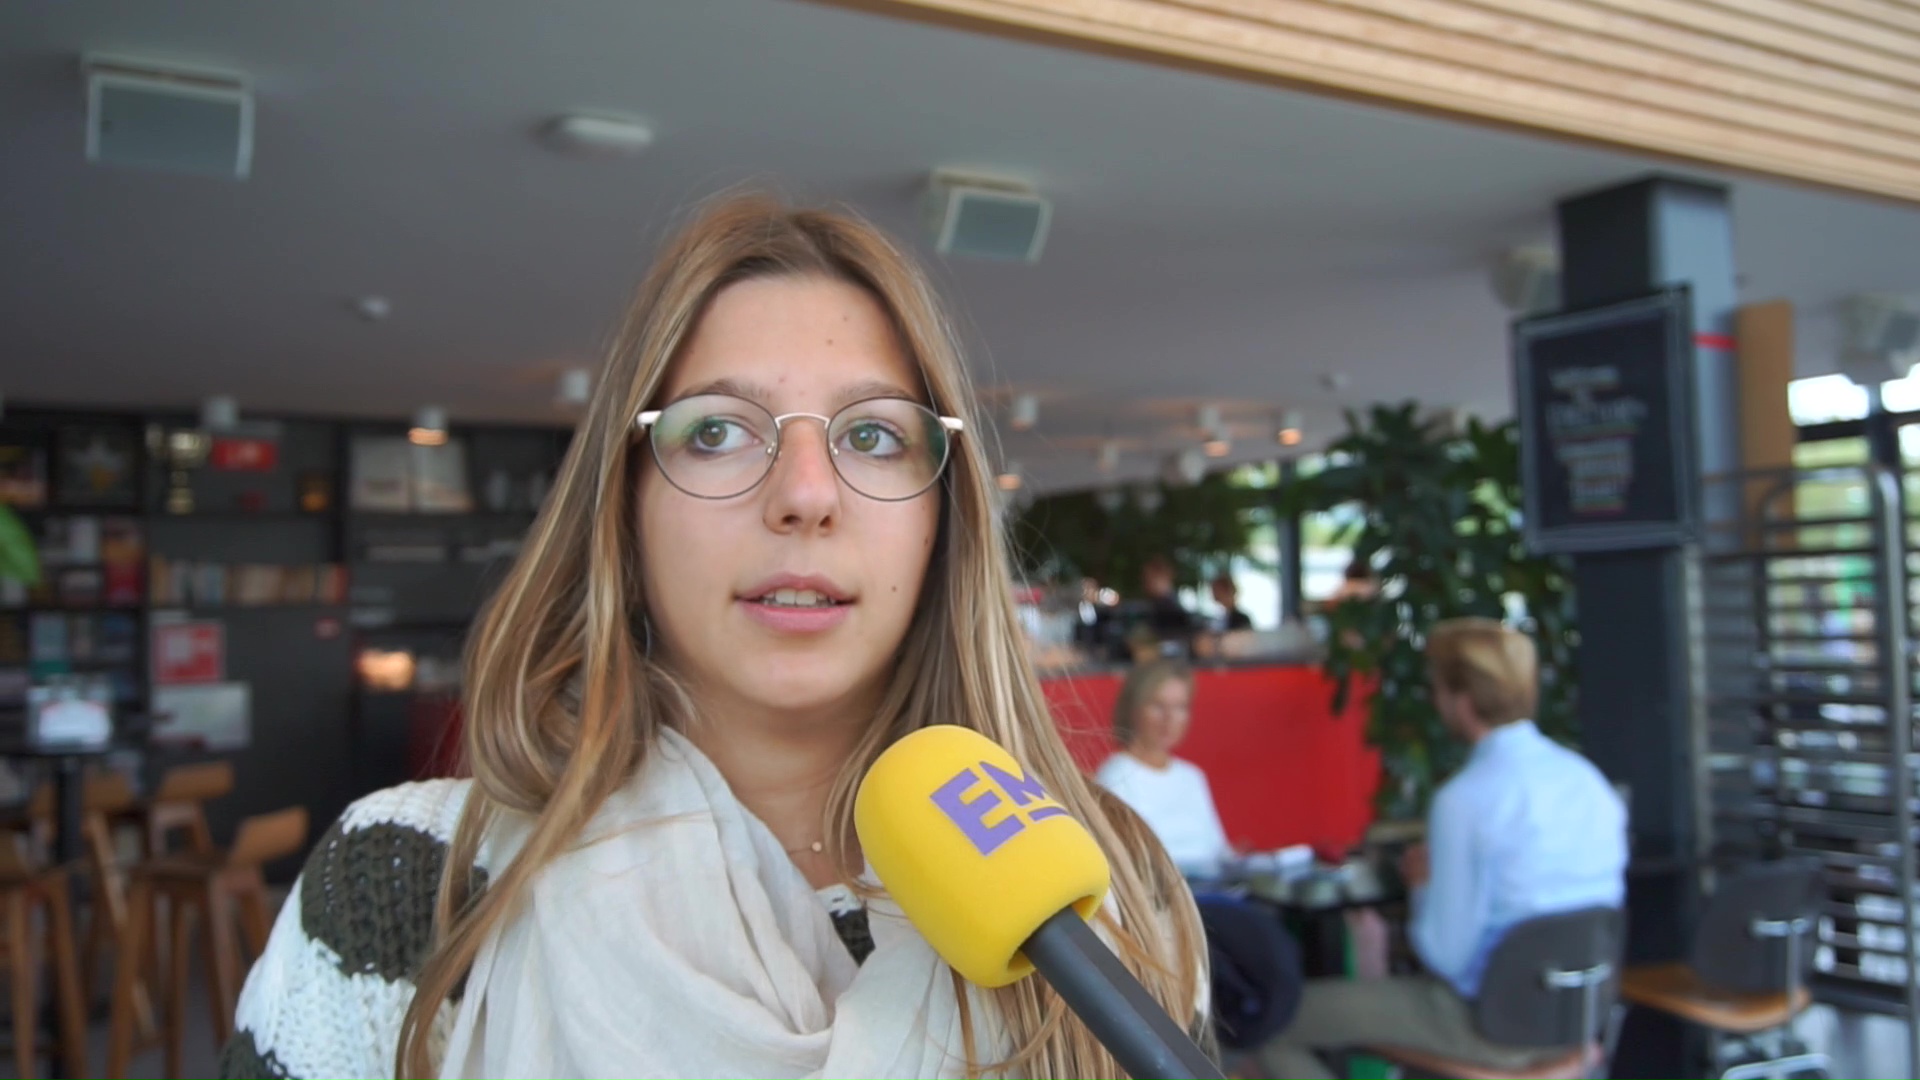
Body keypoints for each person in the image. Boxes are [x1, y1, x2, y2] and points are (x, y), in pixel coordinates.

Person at [220, 196, 1209, 1080]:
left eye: (872, 435)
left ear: (942, 517)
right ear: (625, 505)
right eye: (717, 431)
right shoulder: (406, 882)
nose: (805, 496)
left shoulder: (1117, 890)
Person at [1256, 618, 1626, 1080]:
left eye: (1437, 689)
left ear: (1462, 698)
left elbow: (1444, 956)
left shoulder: (1464, 800)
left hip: (1489, 1023)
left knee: (1270, 1024)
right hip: (1576, 1019)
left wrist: (1422, 885)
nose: (1435, 701)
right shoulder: (1588, 781)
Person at [1095, 659, 1233, 879]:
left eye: (1180, 707)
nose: (1169, 719)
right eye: (1158, 706)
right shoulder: (1116, 776)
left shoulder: (1192, 776)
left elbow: (1220, 851)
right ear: (1133, 709)